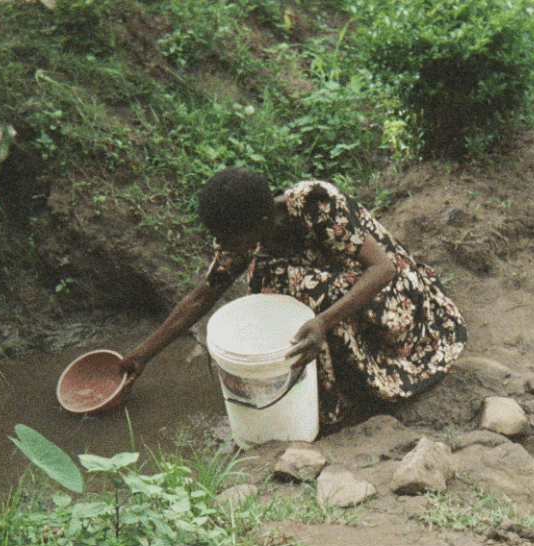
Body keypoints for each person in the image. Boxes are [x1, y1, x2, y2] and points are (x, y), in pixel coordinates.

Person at [121, 167, 467, 430]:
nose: (222, 247)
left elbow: (383, 269)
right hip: (337, 285)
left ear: (260, 224)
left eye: (228, 238)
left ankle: (342, 392)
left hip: (392, 297)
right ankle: (314, 373)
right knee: (271, 278)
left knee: (299, 287)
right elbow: (201, 298)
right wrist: (141, 356)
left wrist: (322, 321)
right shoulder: (245, 233)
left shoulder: (315, 204)